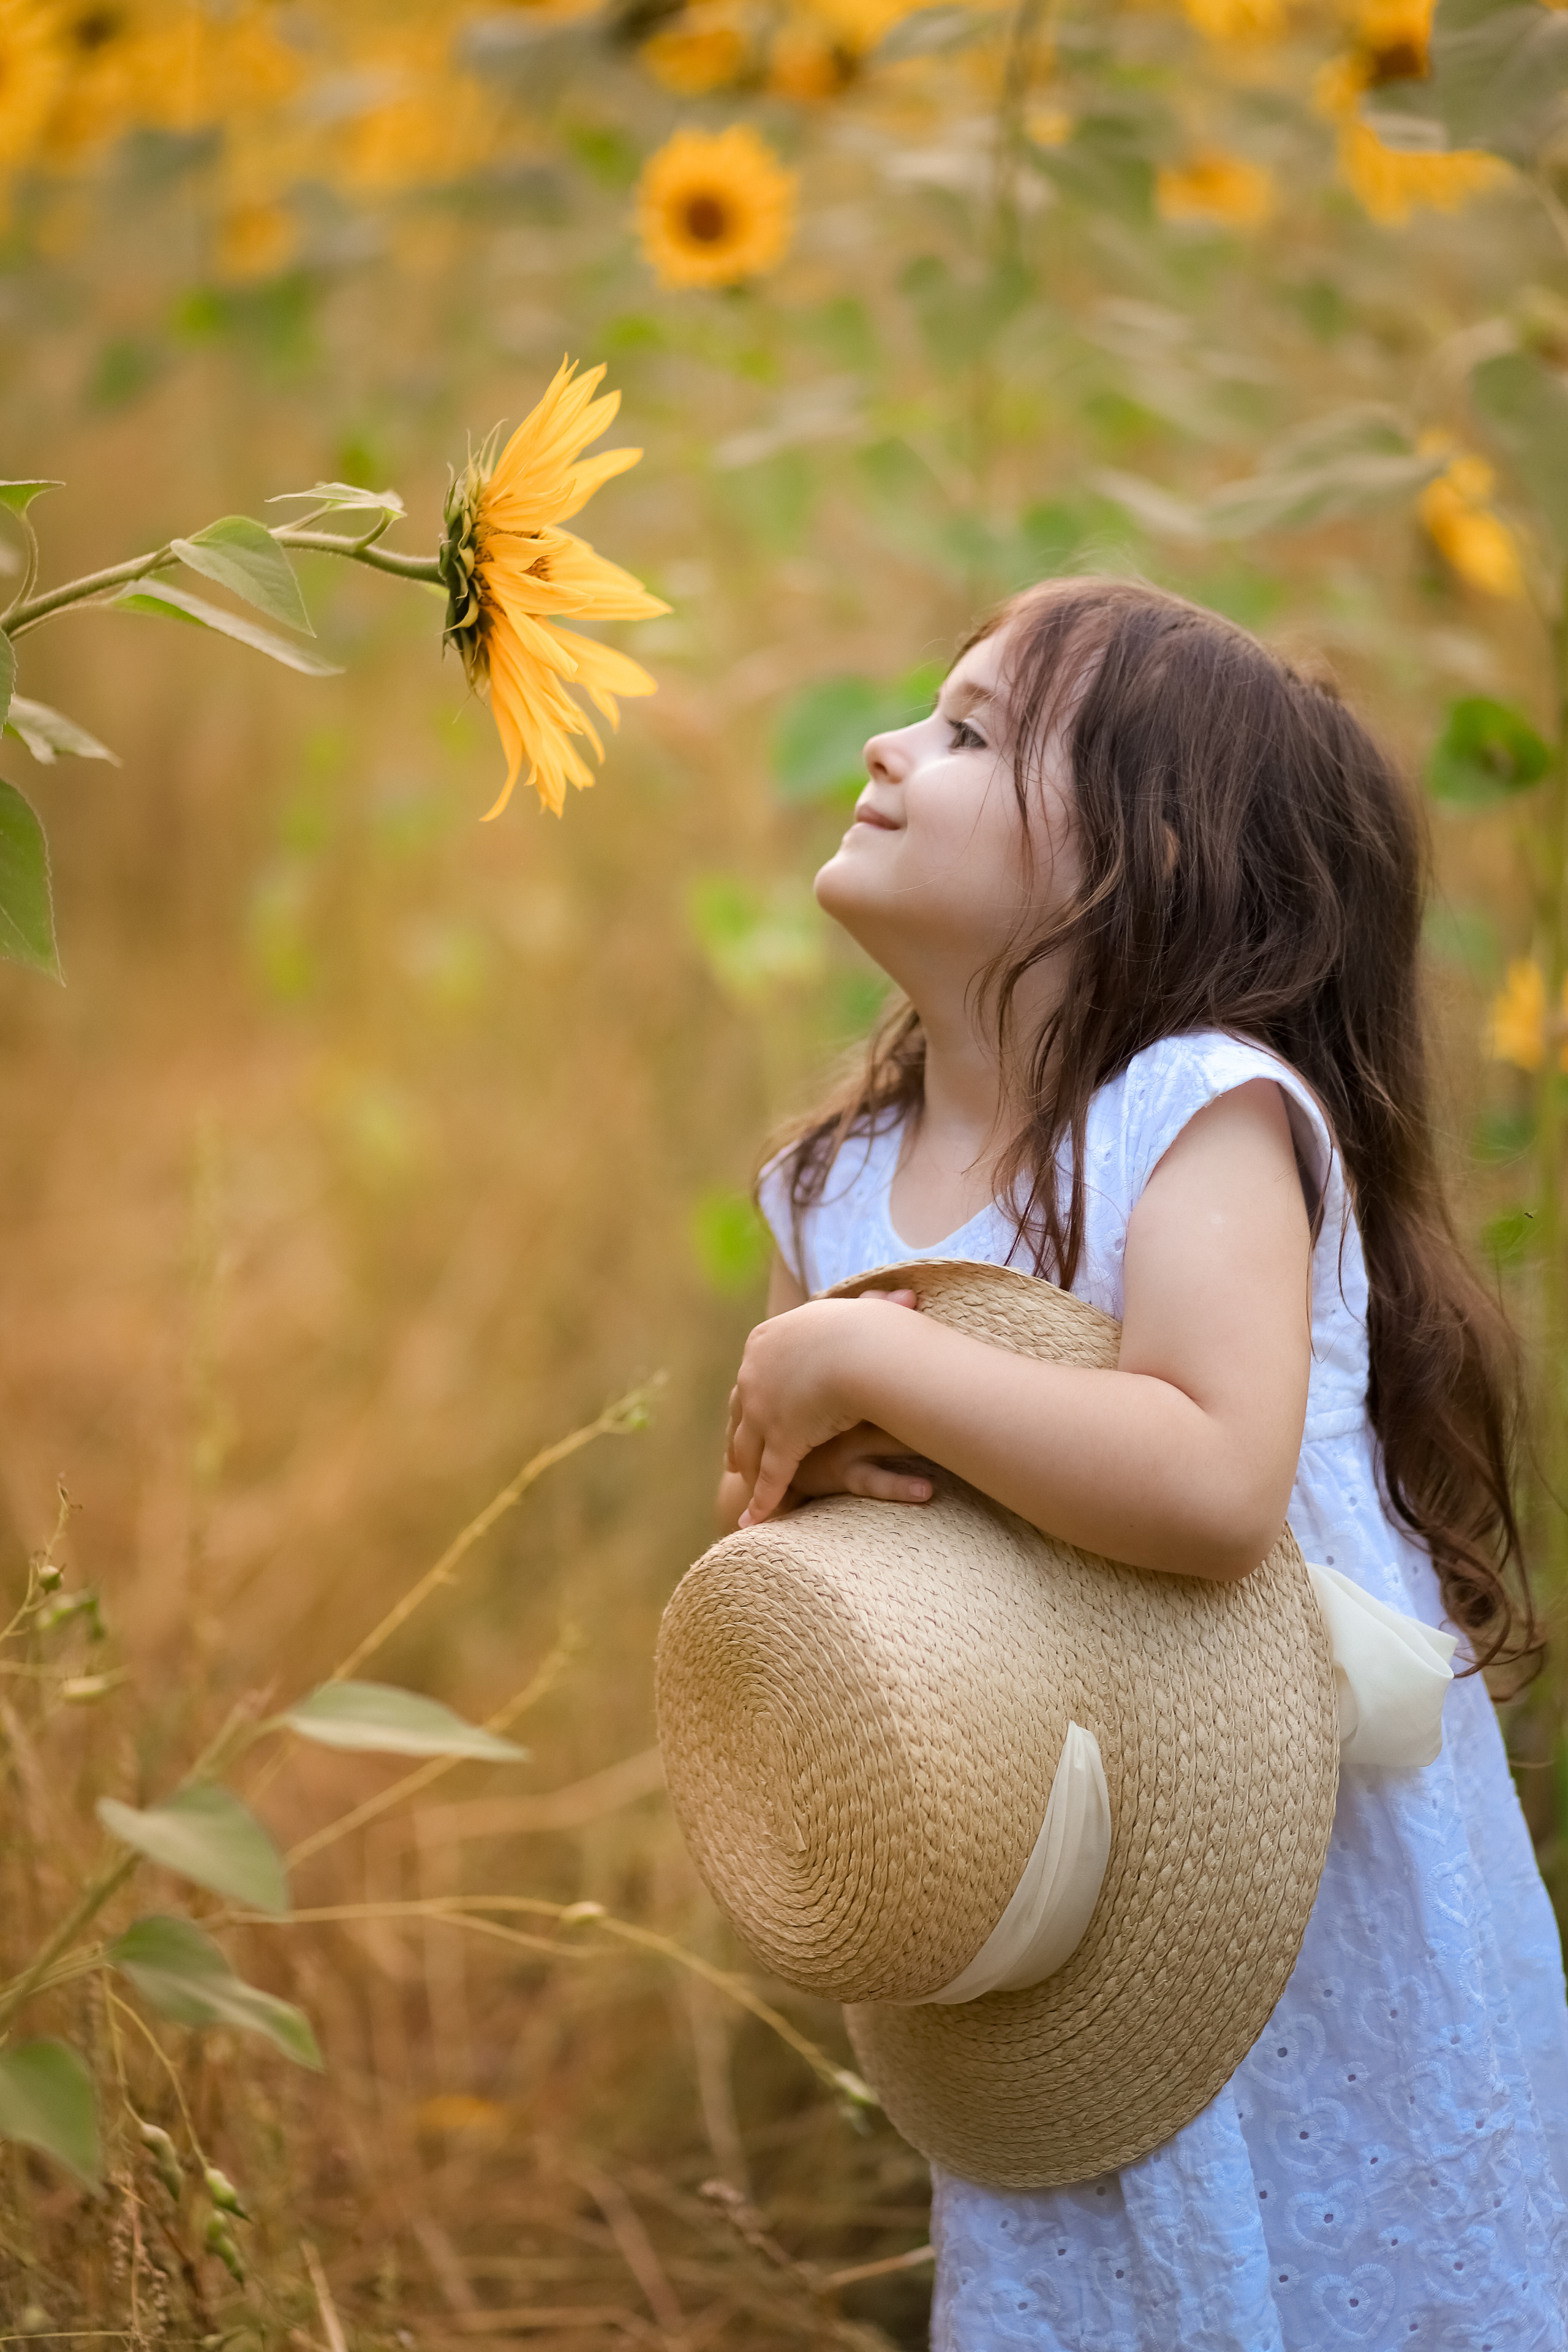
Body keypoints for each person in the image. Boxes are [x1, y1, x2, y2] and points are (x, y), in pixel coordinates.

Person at [715, 577, 1568, 2350]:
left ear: (1142, 862)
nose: (887, 746)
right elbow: (808, 1545)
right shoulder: (831, 1182)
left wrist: (873, 1354)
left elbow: (1208, 1483)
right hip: (1039, 1874)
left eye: (967, 732)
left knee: (1360, 2259)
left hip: (1282, 1873)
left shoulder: (1191, 1114)